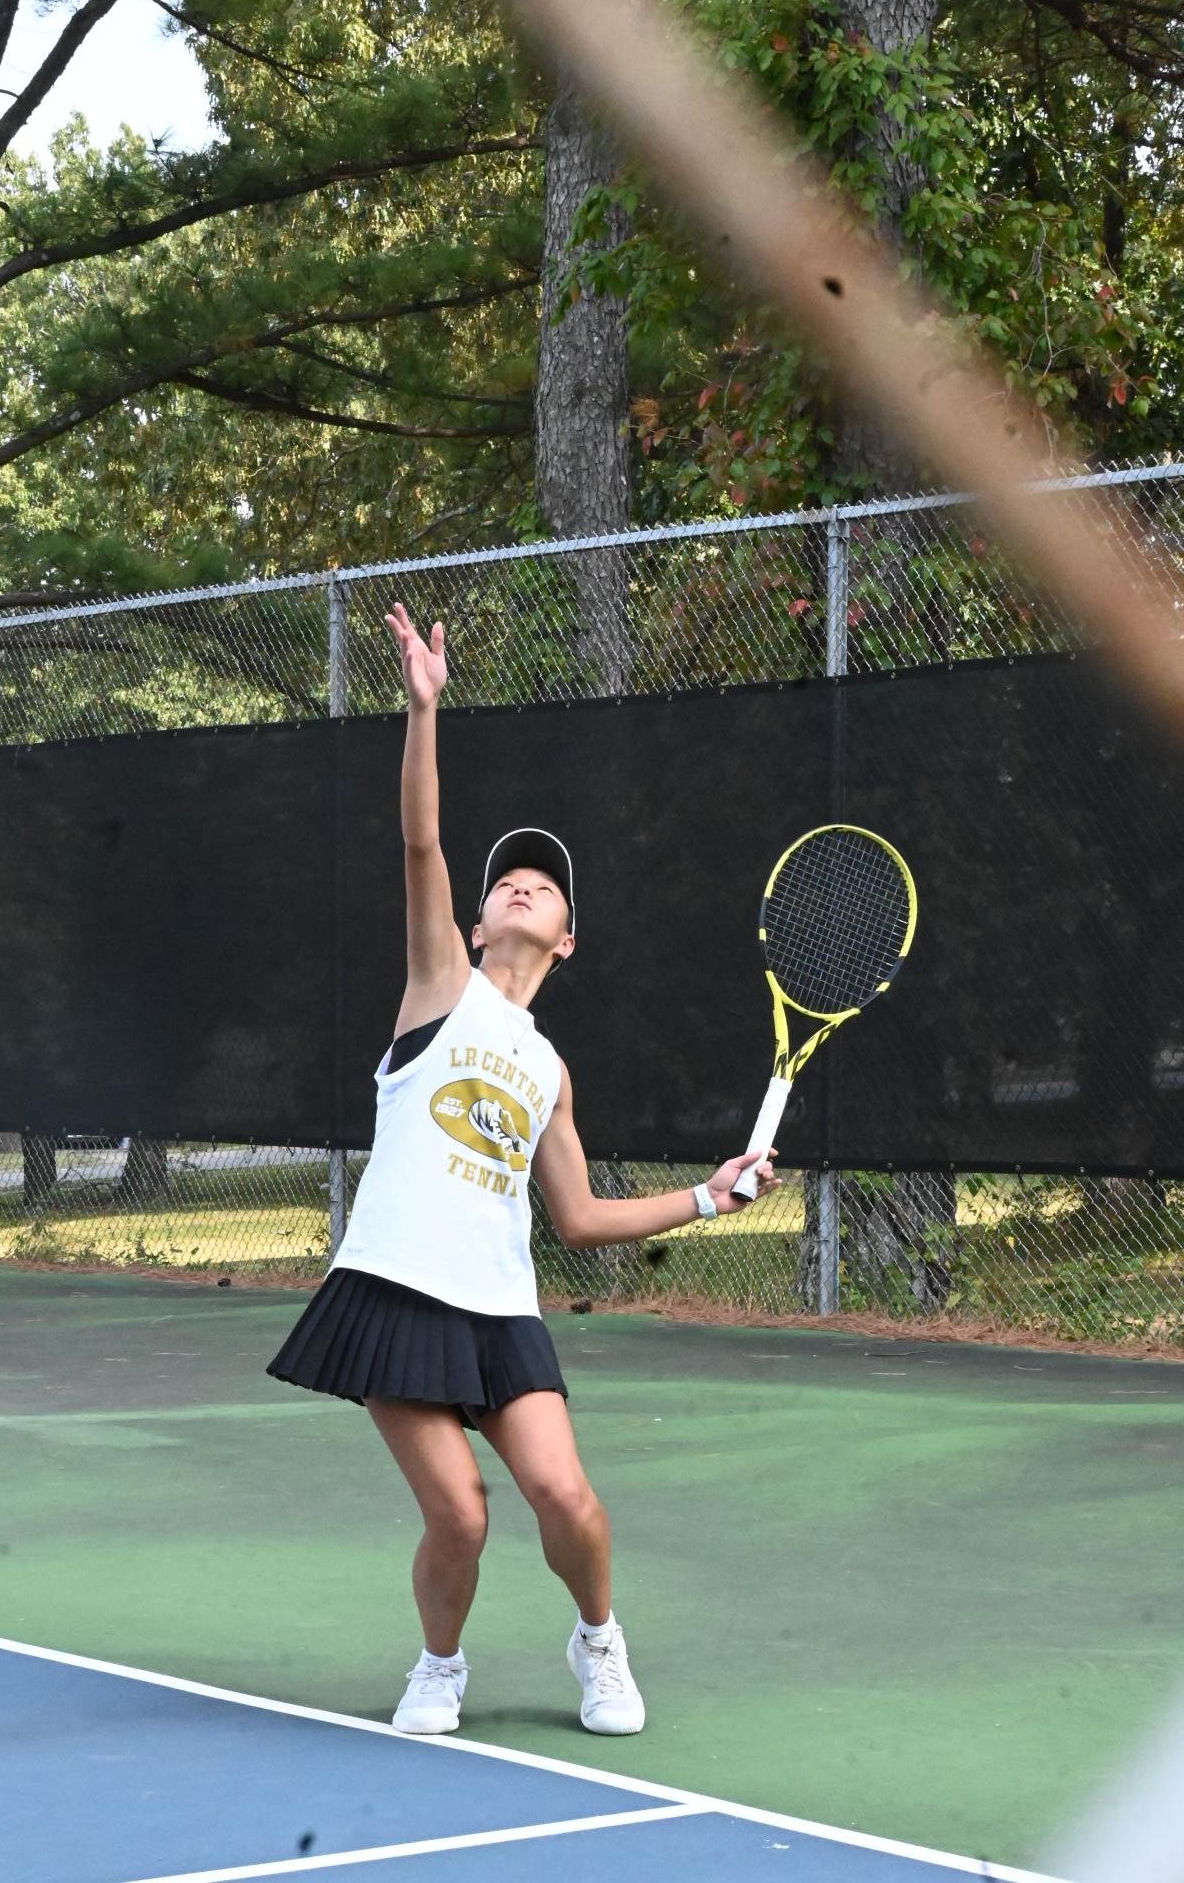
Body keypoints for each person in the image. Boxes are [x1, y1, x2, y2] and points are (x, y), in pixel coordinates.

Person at [268, 603, 778, 1739]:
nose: (518, 887)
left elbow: (582, 1217)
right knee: (460, 1515)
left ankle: (597, 1640)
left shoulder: (547, 1069)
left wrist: (709, 1194)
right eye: (508, 880)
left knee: (568, 1499)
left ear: (565, 940)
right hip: (396, 1292)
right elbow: (419, 845)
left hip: (500, 1310)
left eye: (541, 888)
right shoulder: (436, 986)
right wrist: (421, 708)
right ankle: (438, 1666)